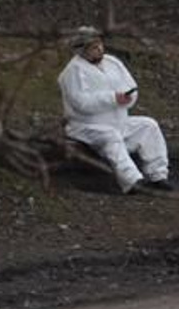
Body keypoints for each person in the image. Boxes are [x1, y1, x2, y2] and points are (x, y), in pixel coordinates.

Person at [57, 26, 171, 193]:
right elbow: (81, 103)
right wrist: (112, 98)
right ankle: (133, 182)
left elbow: (131, 86)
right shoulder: (72, 71)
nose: (99, 49)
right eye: (93, 47)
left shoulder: (112, 62)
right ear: (81, 50)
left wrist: (128, 98)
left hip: (118, 121)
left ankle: (158, 176)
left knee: (148, 125)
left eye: (99, 45)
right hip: (85, 127)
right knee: (110, 136)